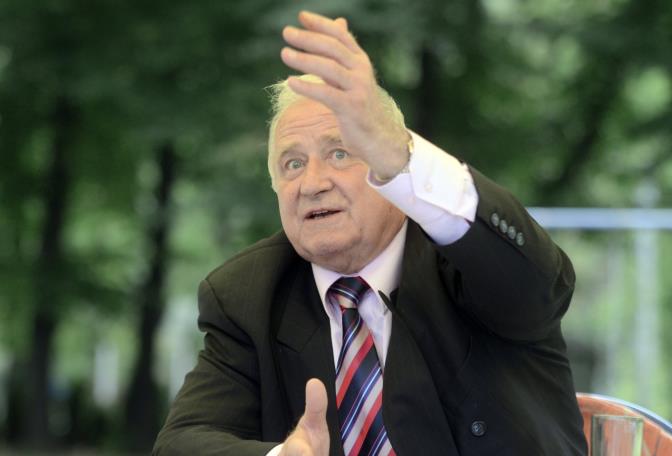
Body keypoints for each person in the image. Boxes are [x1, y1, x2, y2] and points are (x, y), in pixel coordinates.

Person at [153, 10, 587, 456]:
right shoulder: (248, 296)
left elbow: (542, 289)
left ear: (385, 164)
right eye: (293, 164)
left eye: (340, 153)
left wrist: (402, 153)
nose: (312, 183)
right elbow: (182, 443)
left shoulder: (463, 254)